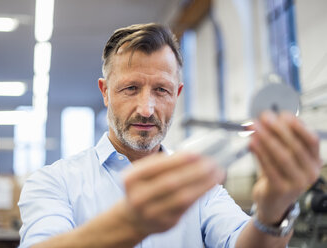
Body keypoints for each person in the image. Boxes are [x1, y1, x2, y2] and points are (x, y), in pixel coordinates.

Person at [18, 23, 322, 248]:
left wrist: (273, 211)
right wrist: (130, 223)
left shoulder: (201, 187)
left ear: (176, 94)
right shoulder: (53, 183)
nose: (147, 109)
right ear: (106, 92)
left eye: (161, 90)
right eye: (130, 88)